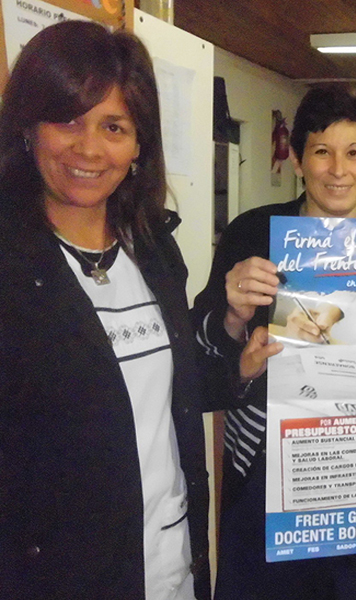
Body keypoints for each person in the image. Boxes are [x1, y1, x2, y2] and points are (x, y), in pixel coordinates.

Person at [192, 84, 356, 600]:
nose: (338, 170)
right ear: (297, 160)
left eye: (354, 153)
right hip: (269, 478)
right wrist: (232, 317)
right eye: (321, 152)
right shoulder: (253, 235)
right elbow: (200, 361)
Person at [0, 20, 210, 600]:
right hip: (58, 578)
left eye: (113, 126)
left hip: (173, 566)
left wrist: (237, 342)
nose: (89, 148)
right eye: (68, 120)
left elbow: (171, 394)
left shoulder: (155, 250)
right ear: (27, 128)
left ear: (139, 144)